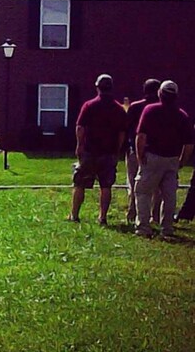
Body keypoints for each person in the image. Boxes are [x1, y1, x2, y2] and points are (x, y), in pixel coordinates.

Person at [134, 80, 194, 238]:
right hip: (172, 159)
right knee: (169, 196)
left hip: (152, 157)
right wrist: (182, 161)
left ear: (160, 94)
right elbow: (189, 143)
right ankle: (167, 228)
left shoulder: (150, 110)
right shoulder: (182, 115)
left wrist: (140, 156)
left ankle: (143, 227)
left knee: (143, 192)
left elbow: (141, 136)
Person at [69, 74, 127, 225]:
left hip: (90, 151)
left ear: (97, 87)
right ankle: (102, 217)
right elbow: (122, 132)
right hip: (109, 152)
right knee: (106, 186)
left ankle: (74, 215)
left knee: (80, 183)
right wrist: (117, 149)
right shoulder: (118, 108)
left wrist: (79, 145)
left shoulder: (89, 105)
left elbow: (80, 127)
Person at [125, 79, 162, 224]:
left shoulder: (135, 107)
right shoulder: (161, 109)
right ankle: (155, 216)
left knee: (134, 182)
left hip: (135, 150)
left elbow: (128, 129)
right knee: (157, 185)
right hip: (156, 151)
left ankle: (132, 213)